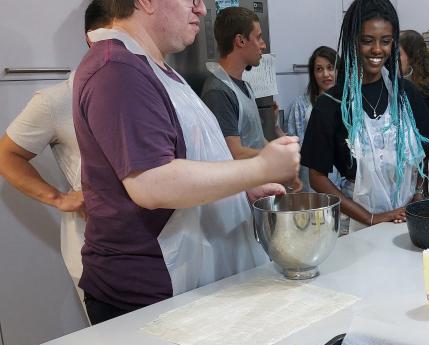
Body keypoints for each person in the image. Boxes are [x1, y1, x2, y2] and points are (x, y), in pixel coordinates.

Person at [73, 0, 300, 324]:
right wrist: (259, 168)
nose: (202, 10)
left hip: (182, 286)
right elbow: (152, 183)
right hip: (149, 297)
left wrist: (238, 191)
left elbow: (189, 156)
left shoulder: (153, 66)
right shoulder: (117, 71)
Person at [0, 0, 112, 289]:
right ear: (93, 38)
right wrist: (59, 198)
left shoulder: (155, 91)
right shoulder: (59, 99)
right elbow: (7, 155)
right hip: (97, 249)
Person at [300, 0, 429, 232]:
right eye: (367, 41)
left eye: (385, 41)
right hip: (360, 225)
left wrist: (417, 193)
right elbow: (317, 177)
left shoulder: (406, 95)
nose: (377, 50)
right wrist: (371, 217)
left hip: (410, 219)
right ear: (353, 42)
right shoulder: (331, 104)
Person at [201, 7, 283, 160]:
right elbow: (235, 153)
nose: (263, 45)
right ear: (241, 41)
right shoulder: (218, 91)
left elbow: (256, 141)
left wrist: (277, 148)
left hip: (258, 181)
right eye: (258, 37)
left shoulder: (245, 86)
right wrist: (277, 157)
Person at [286, 45, 343, 192]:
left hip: (346, 184)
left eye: (330, 68)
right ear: (313, 74)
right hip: (311, 182)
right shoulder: (301, 105)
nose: (326, 74)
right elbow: (292, 146)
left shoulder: (349, 104)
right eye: (319, 69)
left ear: (339, 70)